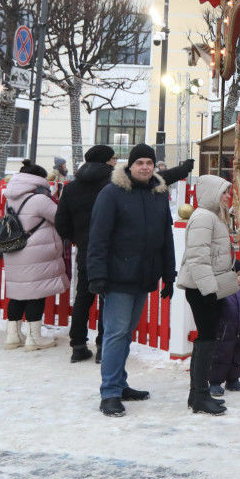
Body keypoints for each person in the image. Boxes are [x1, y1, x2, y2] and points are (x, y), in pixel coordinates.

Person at [86, 143, 175, 417]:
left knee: (126, 333)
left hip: (144, 275)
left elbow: (166, 237)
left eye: (149, 162)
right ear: (130, 165)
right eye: (140, 163)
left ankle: (120, 384)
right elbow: (98, 237)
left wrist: (168, 273)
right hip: (117, 276)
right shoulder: (112, 193)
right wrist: (97, 275)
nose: (145, 167)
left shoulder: (158, 194)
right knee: (115, 333)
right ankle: (110, 392)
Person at [176, 174, 239, 415]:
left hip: (206, 287)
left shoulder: (213, 217)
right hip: (201, 288)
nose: (227, 196)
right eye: (224, 192)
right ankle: (200, 395)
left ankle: (198, 394)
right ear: (213, 193)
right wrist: (209, 289)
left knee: (207, 339)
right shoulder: (203, 217)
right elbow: (198, 256)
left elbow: (216, 252)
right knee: (206, 339)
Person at [55, 145, 117, 363]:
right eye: (113, 158)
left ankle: (78, 346)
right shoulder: (114, 184)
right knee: (107, 299)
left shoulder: (72, 187)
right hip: (112, 248)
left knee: (83, 296)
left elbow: (61, 222)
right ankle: (103, 346)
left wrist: (80, 239)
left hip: (85, 249)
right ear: (107, 161)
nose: (116, 162)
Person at [0, 163, 68, 352]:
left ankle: (12, 336)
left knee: (17, 293)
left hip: (15, 249)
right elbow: (59, 218)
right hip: (36, 252)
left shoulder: (10, 198)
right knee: (36, 294)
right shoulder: (39, 199)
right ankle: (34, 338)